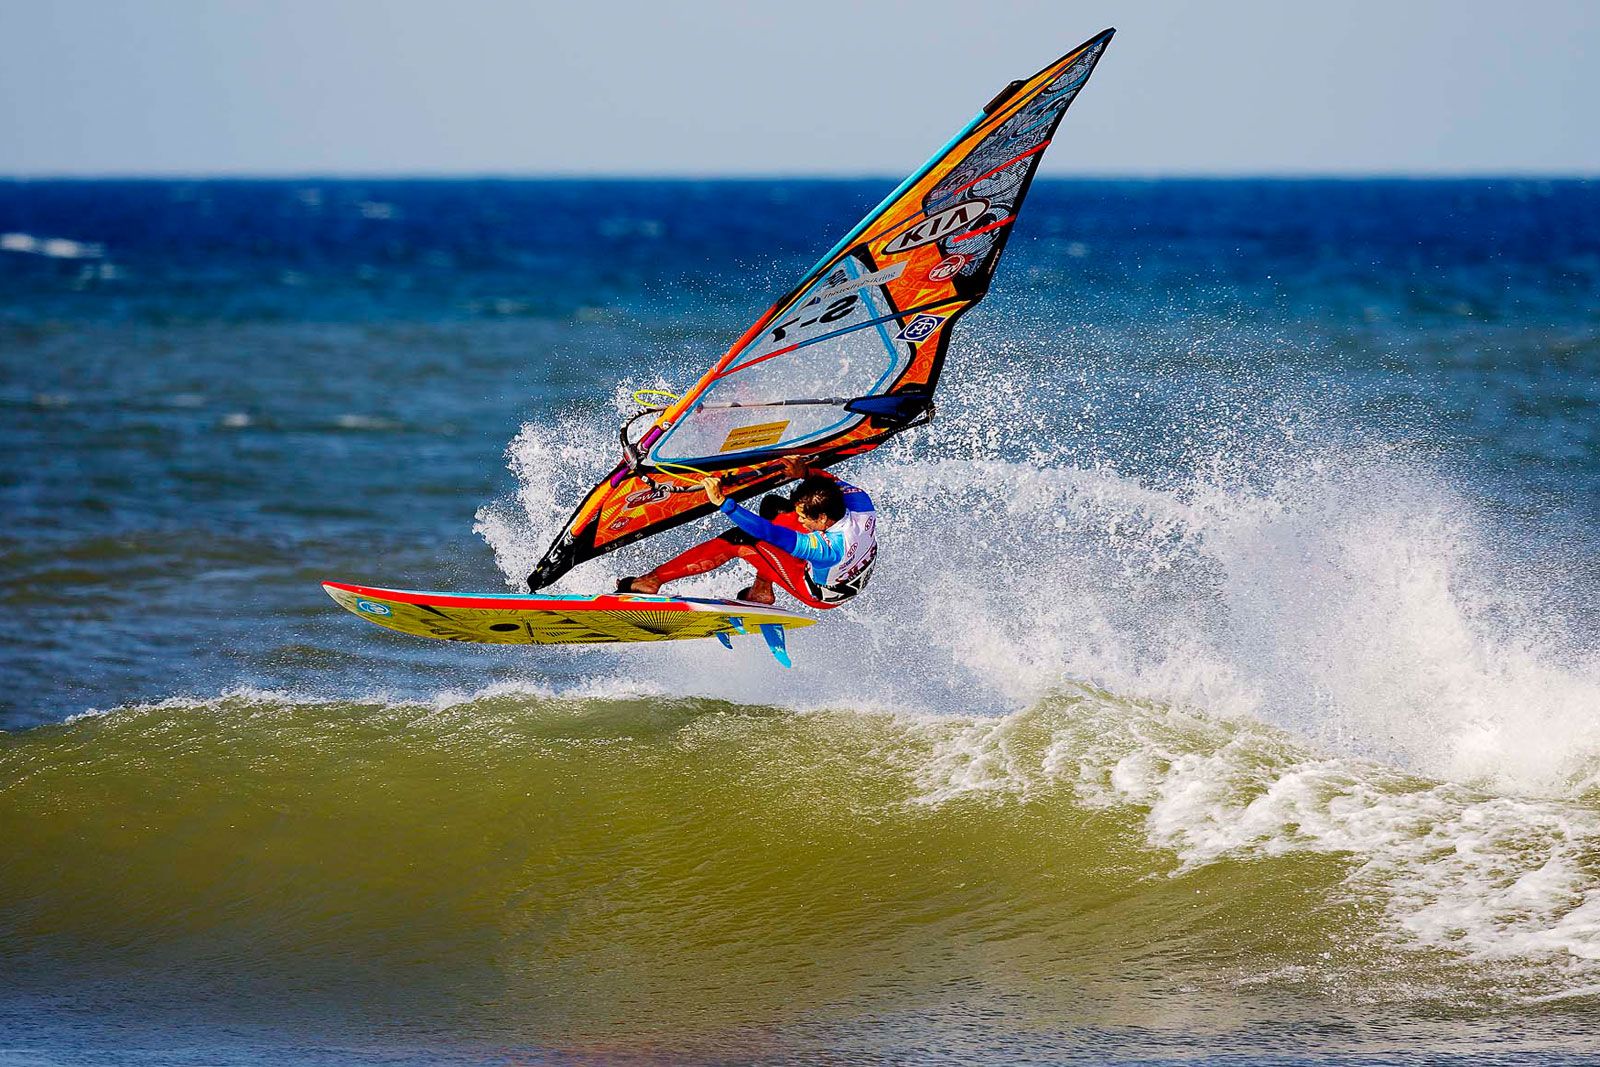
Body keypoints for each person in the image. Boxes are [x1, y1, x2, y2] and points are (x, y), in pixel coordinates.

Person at [617, 456, 877, 608]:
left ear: (822, 518)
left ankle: (651, 581)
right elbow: (829, 483)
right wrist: (805, 473)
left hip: (820, 592)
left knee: (740, 540)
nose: (801, 522)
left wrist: (723, 502)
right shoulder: (859, 502)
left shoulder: (825, 549)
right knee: (775, 507)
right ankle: (761, 591)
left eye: (804, 519)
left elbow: (770, 533)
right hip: (854, 567)